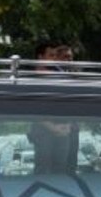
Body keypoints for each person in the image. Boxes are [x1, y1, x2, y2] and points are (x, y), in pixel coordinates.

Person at [27, 43, 80, 174]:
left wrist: (67, 125)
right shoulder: (32, 79)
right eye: (51, 55)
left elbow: (69, 104)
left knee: (64, 171)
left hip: (64, 130)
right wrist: (52, 127)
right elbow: (31, 109)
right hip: (44, 132)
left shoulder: (60, 77)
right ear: (40, 57)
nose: (54, 59)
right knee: (44, 171)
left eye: (56, 56)